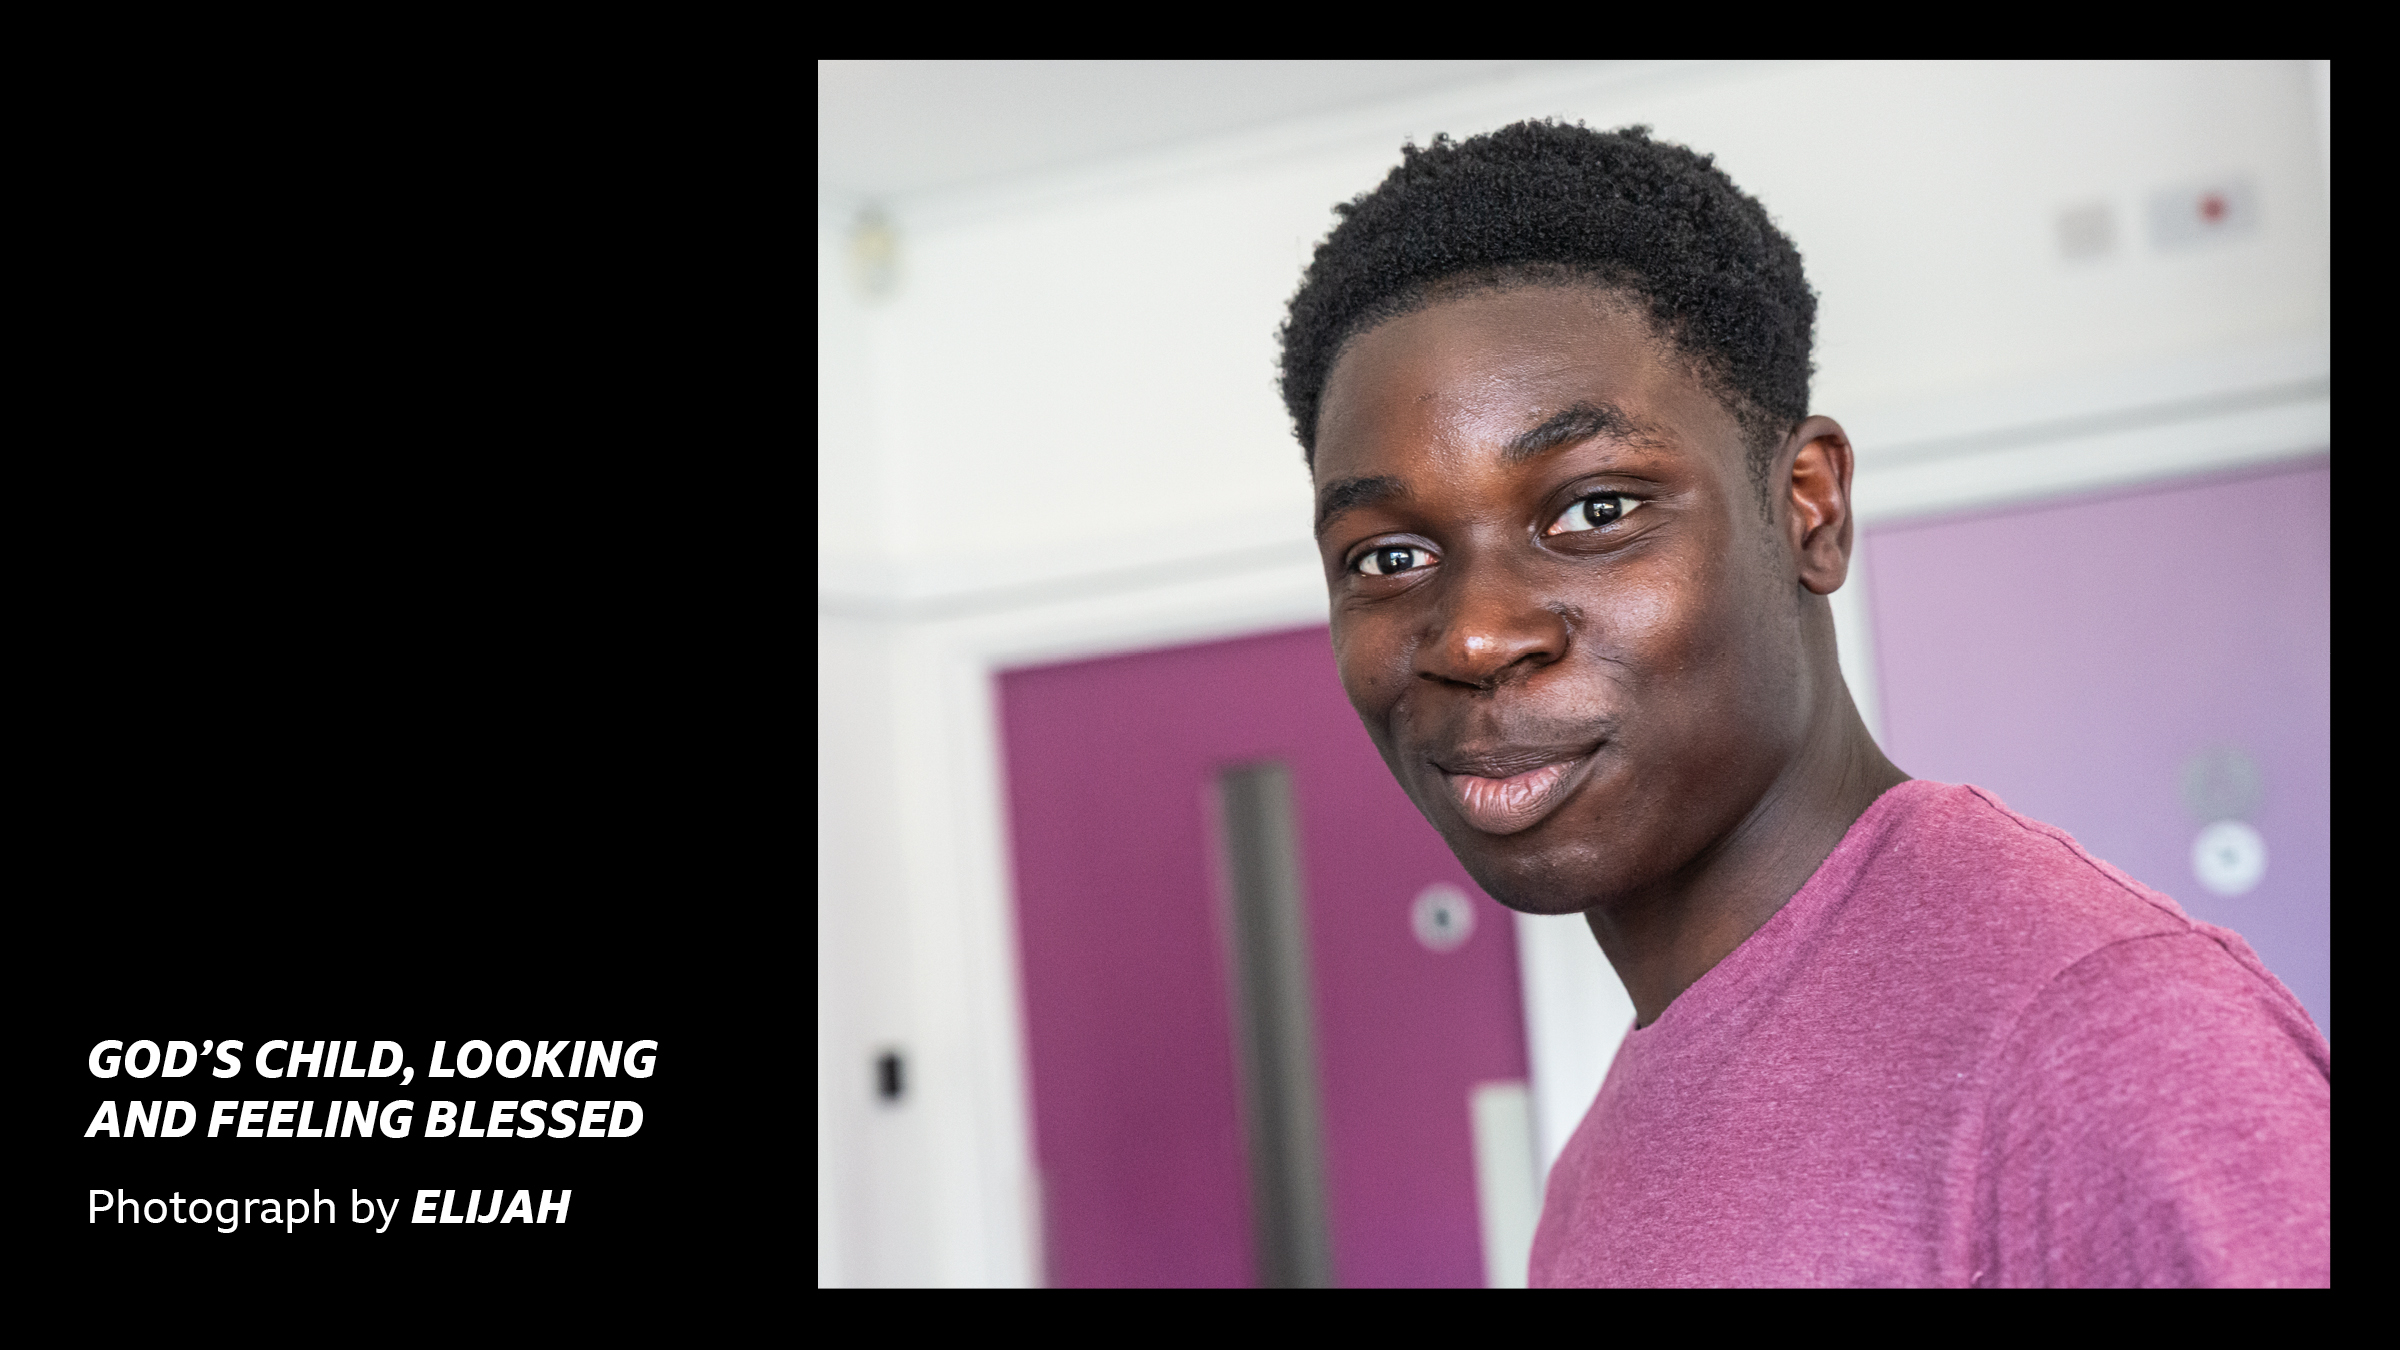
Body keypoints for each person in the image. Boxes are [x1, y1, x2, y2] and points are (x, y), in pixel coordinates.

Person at [1276, 121, 2330, 1288]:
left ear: (1808, 511)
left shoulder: (2104, 1041)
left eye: (1593, 510)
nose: (1474, 635)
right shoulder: (1598, 1167)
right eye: (1387, 559)